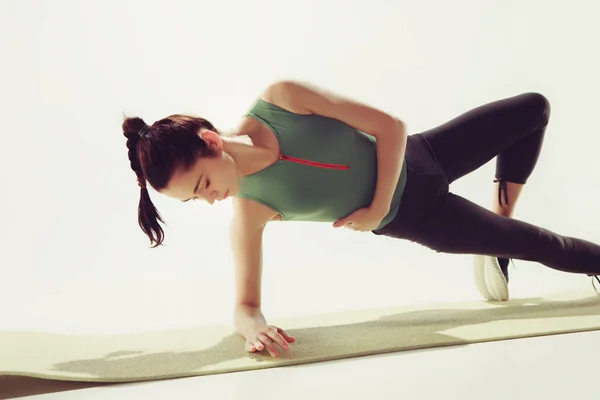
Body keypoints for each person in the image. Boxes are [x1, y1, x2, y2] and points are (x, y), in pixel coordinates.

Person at [122, 80, 600, 358]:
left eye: (204, 186)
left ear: (211, 142)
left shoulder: (281, 99)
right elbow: (246, 304)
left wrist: (373, 207)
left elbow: (390, 127)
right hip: (424, 216)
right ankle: (508, 243)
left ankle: (500, 222)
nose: (210, 201)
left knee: (534, 108)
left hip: (427, 153)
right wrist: (252, 328)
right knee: (546, 245)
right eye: (195, 200)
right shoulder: (251, 209)